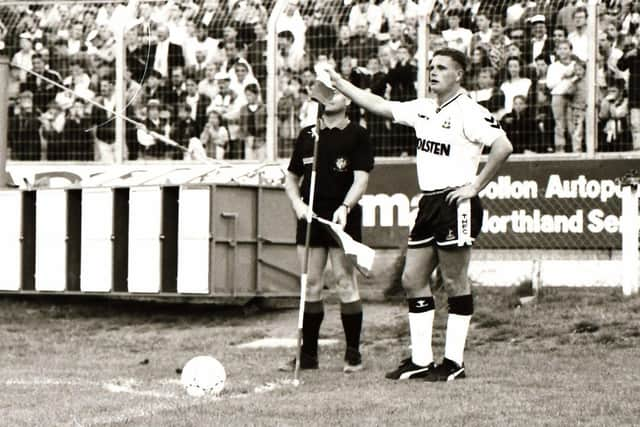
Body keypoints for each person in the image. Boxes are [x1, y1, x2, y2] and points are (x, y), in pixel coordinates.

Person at [324, 48, 513, 381]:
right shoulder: (424, 108)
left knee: (455, 281)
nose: (433, 72)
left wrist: (475, 186)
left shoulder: (470, 111)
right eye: (430, 67)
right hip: (428, 203)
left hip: (456, 202)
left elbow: (503, 146)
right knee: (412, 280)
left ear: (459, 74)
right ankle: (422, 360)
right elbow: (380, 105)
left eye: (441, 68)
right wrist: (341, 84)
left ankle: (454, 363)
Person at [281, 85, 374, 374]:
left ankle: (353, 354)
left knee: (345, 281)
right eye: (325, 93)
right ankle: (308, 355)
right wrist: (297, 205)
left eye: (335, 92)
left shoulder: (357, 134)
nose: (329, 97)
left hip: (342, 217)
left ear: (347, 99)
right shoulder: (308, 135)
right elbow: (291, 178)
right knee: (310, 284)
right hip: (310, 217)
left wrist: (345, 206)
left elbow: (360, 180)